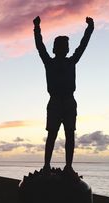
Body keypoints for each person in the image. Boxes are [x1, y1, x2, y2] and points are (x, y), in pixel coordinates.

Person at [33, 16, 94, 176]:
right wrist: (37, 27)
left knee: (69, 134)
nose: (64, 48)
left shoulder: (71, 61)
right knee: (52, 134)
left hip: (68, 101)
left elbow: (82, 46)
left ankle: (68, 166)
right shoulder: (49, 62)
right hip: (54, 102)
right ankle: (46, 165)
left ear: (67, 49)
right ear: (55, 49)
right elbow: (40, 46)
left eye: (65, 45)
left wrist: (90, 29)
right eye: (60, 46)